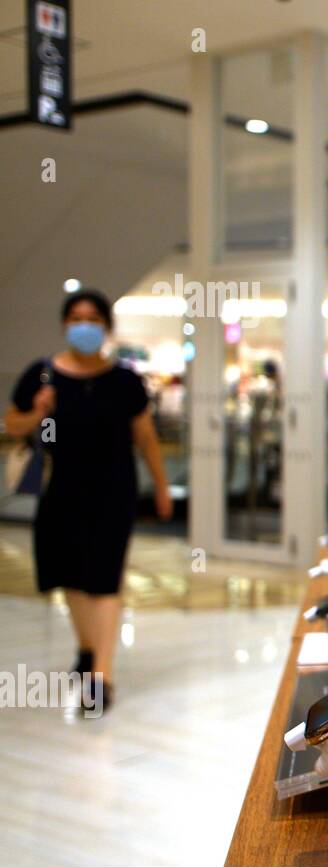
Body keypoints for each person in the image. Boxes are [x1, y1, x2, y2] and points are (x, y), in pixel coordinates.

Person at [4, 290, 172, 714]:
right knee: (72, 578)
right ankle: (85, 649)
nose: (84, 326)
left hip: (112, 490)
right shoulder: (42, 376)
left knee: (104, 579)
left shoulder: (125, 381)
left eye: (93, 318)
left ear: (106, 328)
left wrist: (162, 485)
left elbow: (146, 437)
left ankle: (101, 676)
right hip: (61, 490)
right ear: (65, 325)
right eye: (76, 318)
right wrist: (39, 412)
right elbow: (13, 424)